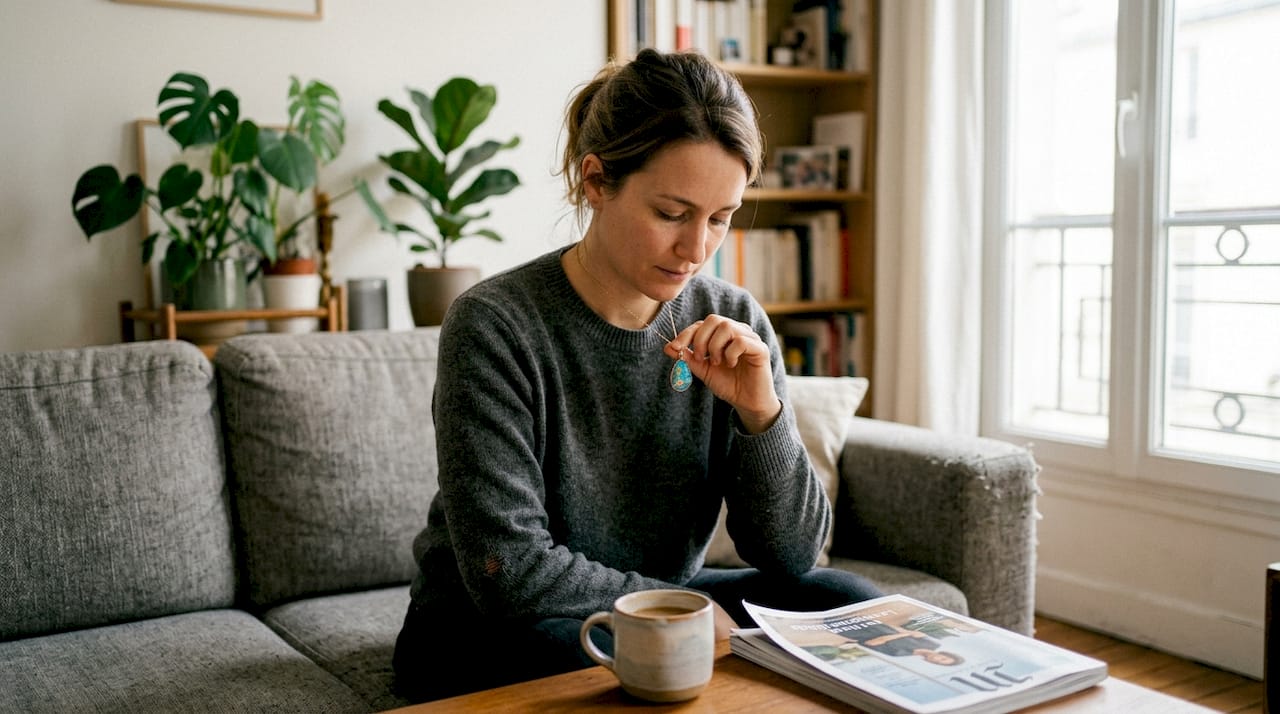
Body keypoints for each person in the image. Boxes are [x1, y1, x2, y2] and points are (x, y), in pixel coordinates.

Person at [392, 48, 882, 702]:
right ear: (597, 181)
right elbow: (506, 570)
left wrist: (761, 416)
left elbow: (792, 555)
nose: (697, 247)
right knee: (596, 657)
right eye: (672, 213)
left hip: (652, 606)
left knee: (843, 600)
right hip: (487, 626)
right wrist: (689, 612)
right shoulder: (495, 323)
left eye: (721, 218)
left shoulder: (732, 319)